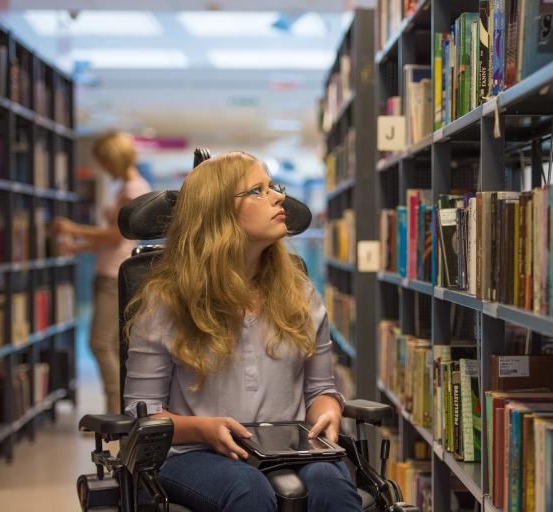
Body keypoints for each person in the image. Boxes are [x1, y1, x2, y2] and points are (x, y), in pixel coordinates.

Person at [122, 152, 361, 512]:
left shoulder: (298, 291)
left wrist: (328, 410)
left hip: (289, 447)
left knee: (332, 487)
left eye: (273, 187)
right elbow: (142, 413)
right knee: (247, 488)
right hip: (193, 453)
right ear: (217, 213)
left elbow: (320, 390)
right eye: (257, 191)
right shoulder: (166, 301)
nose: (279, 197)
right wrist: (203, 429)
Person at [51, 130, 151, 414]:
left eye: (105, 161)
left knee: (99, 342)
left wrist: (74, 228)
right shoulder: (123, 187)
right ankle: (119, 406)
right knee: (110, 343)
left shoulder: (132, 189)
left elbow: (116, 236)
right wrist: (78, 247)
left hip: (114, 273)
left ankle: (116, 407)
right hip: (107, 269)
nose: (103, 167)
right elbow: (111, 238)